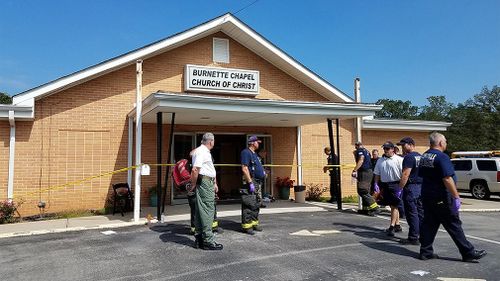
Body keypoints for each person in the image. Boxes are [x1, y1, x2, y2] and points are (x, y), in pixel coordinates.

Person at [418, 132, 486, 262]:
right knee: (453, 224)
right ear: (441, 143)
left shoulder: (425, 156)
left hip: (427, 195)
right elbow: (447, 178)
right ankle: (468, 252)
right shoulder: (442, 157)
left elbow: (423, 175)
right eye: (445, 142)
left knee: (429, 224)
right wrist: (456, 197)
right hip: (441, 197)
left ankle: (425, 252)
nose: (446, 144)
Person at [190, 132, 223, 250]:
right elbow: (195, 169)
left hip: (206, 181)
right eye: (213, 141)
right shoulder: (203, 152)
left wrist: (214, 183)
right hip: (204, 182)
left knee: (200, 210)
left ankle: (199, 239)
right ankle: (208, 241)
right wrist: (193, 184)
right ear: (211, 141)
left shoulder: (199, 151)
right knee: (208, 210)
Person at [397, 137, 423, 245]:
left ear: (411, 144)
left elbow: (405, 174)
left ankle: (413, 237)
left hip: (411, 187)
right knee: (421, 213)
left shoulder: (409, 157)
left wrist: (400, 188)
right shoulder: (421, 157)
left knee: (412, 213)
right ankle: (423, 235)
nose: (402, 147)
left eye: (404, 145)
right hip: (421, 187)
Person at [373, 141, 403, 236]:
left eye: (387, 149)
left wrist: (401, 187)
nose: (385, 151)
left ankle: (392, 227)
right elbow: (377, 173)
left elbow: (404, 174)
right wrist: (376, 183)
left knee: (394, 205)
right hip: (385, 184)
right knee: (392, 205)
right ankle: (397, 225)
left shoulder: (399, 160)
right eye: (384, 149)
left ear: (392, 149)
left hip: (395, 184)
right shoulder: (380, 160)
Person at [241, 135, 266, 235]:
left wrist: (263, 173)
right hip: (251, 182)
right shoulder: (246, 152)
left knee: (256, 203)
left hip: (258, 182)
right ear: (252, 143)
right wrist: (250, 182)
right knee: (249, 203)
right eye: (257, 142)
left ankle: (254, 223)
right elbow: (244, 168)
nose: (258, 143)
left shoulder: (254, 154)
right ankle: (247, 226)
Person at [352, 142, 379, 215]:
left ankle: (375, 207)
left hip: (365, 172)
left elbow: (361, 160)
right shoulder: (366, 151)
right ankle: (365, 208)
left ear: (356, 146)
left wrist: (355, 170)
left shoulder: (360, 151)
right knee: (364, 190)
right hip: (367, 172)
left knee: (362, 190)